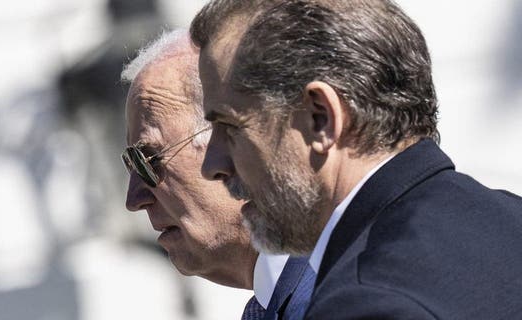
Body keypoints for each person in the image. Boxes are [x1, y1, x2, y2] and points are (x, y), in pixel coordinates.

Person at [190, 0, 522, 319]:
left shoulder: (368, 302)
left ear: (321, 119)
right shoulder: (509, 217)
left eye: (229, 126)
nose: (212, 166)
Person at [122, 29, 317, 319]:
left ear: (236, 141)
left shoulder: (342, 298)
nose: (134, 199)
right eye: (131, 165)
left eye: (147, 159)